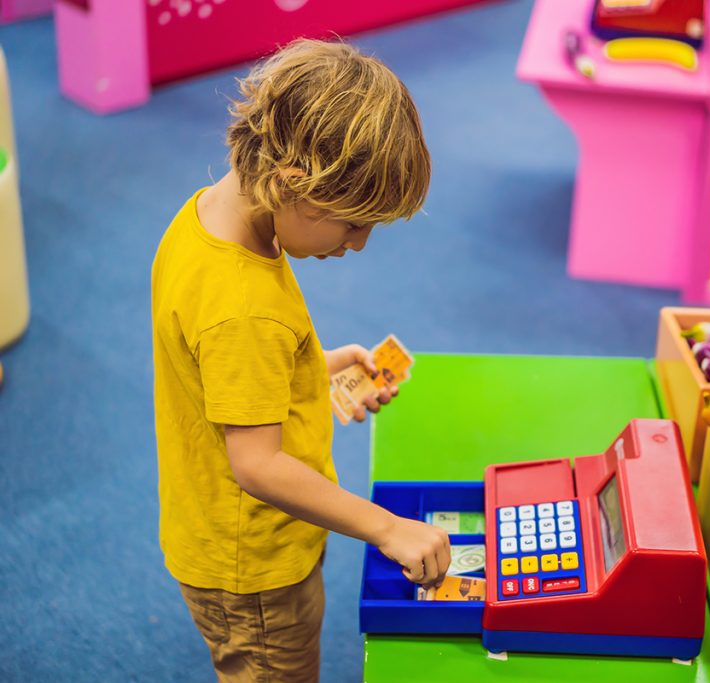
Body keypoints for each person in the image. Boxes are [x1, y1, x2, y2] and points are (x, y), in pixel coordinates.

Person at [151, 39, 450, 682]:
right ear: (294, 186)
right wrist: (386, 528)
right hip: (255, 566)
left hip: (226, 533)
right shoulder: (245, 307)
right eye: (352, 225)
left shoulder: (211, 217)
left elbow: (223, 370)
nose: (361, 244)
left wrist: (312, 368)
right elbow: (257, 465)